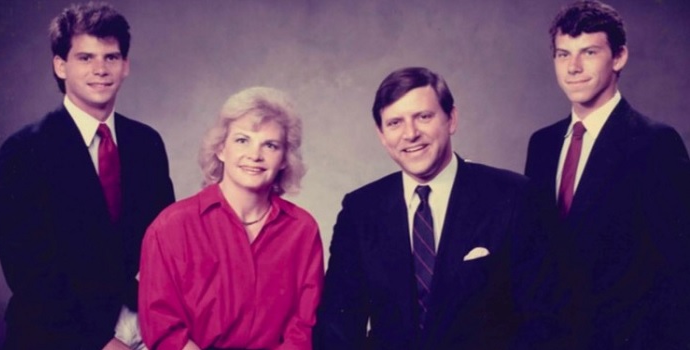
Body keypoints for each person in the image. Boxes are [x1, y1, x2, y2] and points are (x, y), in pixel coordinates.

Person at [314, 67, 542, 349]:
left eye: (423, 117)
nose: (410, 134)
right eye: (395, 123)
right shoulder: (360, 210)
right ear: (382, 135)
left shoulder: (512, 196)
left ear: (451, 119)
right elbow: (338, 326)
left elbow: (541, 319)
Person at [0, 2, 175, 349]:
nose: (101, 69)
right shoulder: (24, 151)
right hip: (59, 335)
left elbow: (166, 246)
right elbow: (28, 271)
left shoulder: (146, 143)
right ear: (60, 66)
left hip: (141, 329)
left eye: (111, 57)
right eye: (85, 58)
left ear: (126, 67)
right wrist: (99, 341)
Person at [524, 1, 690, 348]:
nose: (574, 67)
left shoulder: (655, 143)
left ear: (618, 57)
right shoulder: (542, 144)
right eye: (562, 54)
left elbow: (678, 269)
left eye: (589, 52)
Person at [138, 87, 323, 350]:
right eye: (242, 140)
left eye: (270, 145)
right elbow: (162, 326)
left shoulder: (302, 230)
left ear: (284, 159)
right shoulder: (171, 227)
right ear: (221, 149)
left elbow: (304, 325)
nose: (255, 155)